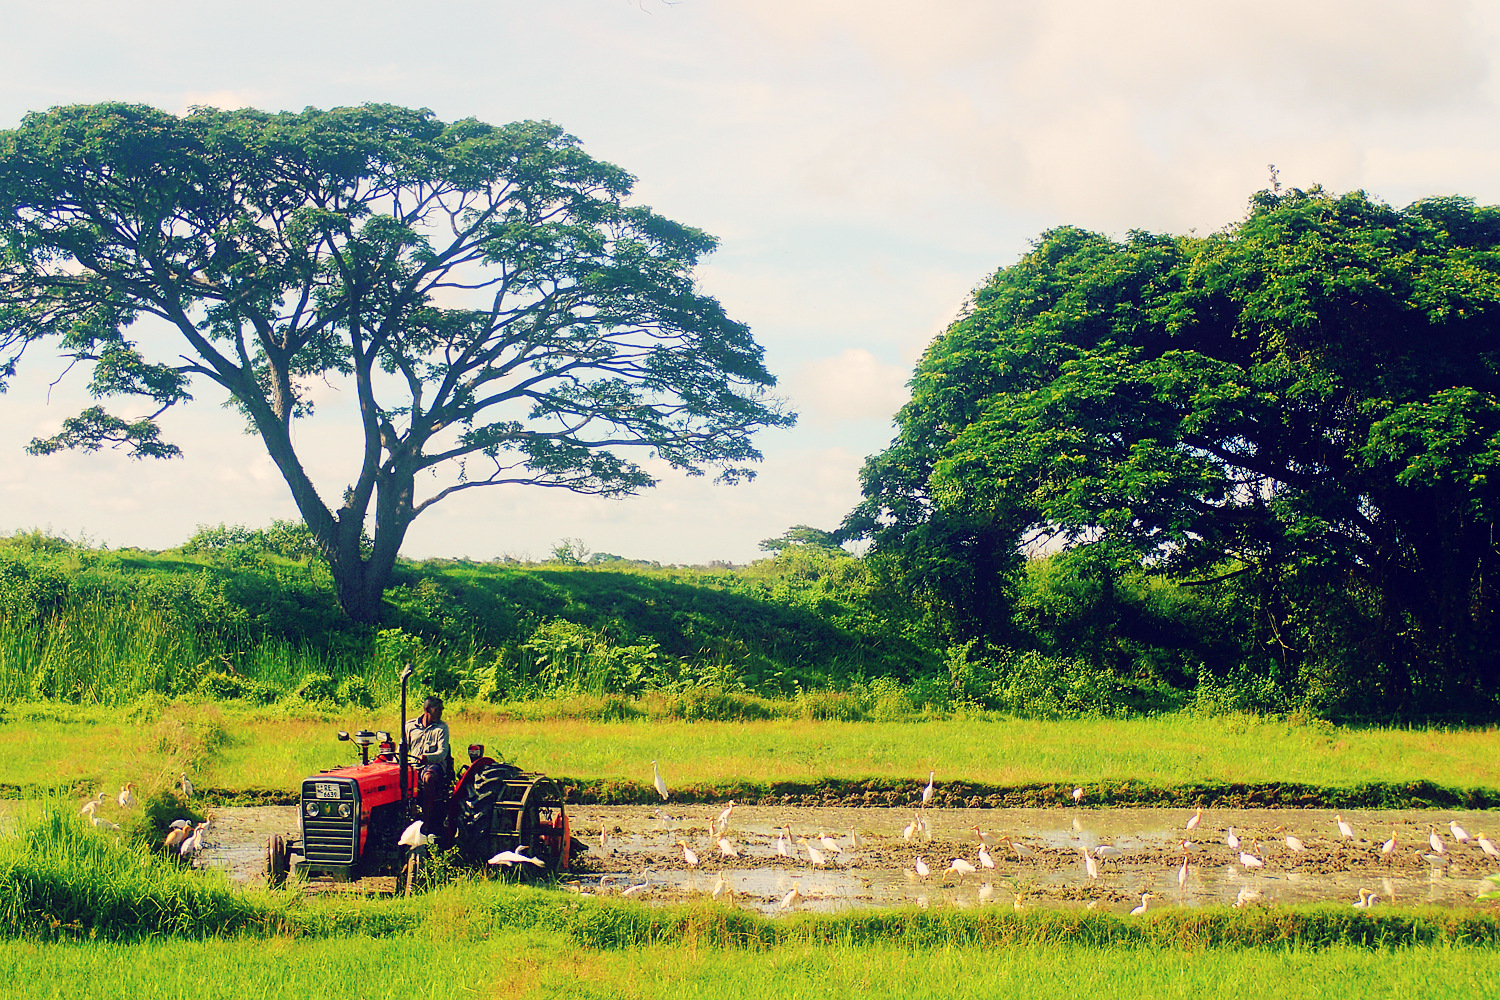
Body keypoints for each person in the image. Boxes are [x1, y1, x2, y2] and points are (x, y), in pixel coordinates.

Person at [405, 695, 452, 834]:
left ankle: (428, 818)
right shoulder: (410, 726)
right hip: (413, 765)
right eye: (438, 709)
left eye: (442, 710)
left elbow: (442, 753)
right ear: (427, 709)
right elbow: (402, 750)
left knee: (429, 778)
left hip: (433, 765)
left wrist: (427, 758)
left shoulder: (442, 728)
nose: (441, 713)